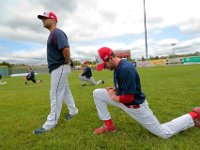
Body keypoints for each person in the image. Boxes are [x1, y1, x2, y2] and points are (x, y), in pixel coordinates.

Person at [92, 47, 200, 139]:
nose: (104, 68)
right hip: (123, 100)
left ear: (110, 58)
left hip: (135, 105)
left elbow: (128, 98)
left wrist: (112, 95)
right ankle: (109, 126)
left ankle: (194, 115)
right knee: (97, 93)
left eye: (104, 65)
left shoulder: (126, 69)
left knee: (164, 133)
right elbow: (124, 87)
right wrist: (115, 89)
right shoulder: (117, 67)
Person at [34, 11, 78, 134]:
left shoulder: (57, 32)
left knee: (54, 94)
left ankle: (50, 123)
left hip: (60, 66)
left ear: (53, 19)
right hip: (59, 67)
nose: (43, 20)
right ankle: (73, 110)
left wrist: (67, 61)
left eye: (45, 18)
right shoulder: (52, 34)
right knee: (65, 92)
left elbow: (66, 48)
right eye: (42, 18)